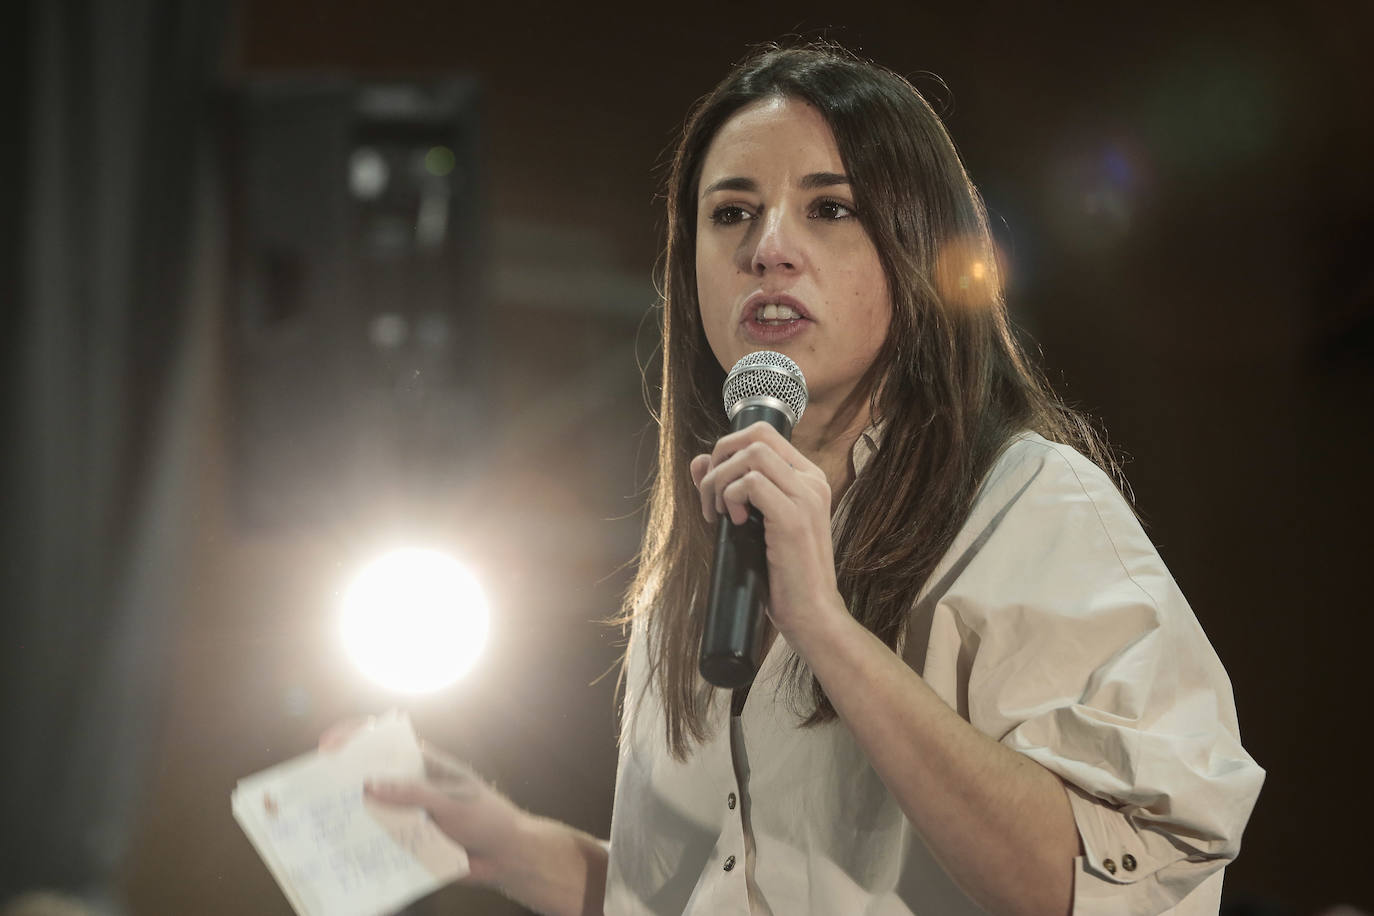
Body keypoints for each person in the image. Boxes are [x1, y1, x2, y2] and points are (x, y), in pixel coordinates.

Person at [349, 42, 1264, 915]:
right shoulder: (703, 564)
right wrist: (512, 845)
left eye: (829, 208)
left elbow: (1104, 890)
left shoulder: (1028, 505)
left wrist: (825, 627)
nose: (768, 249)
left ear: (913, 249)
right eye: (731, 213)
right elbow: (718, 888)